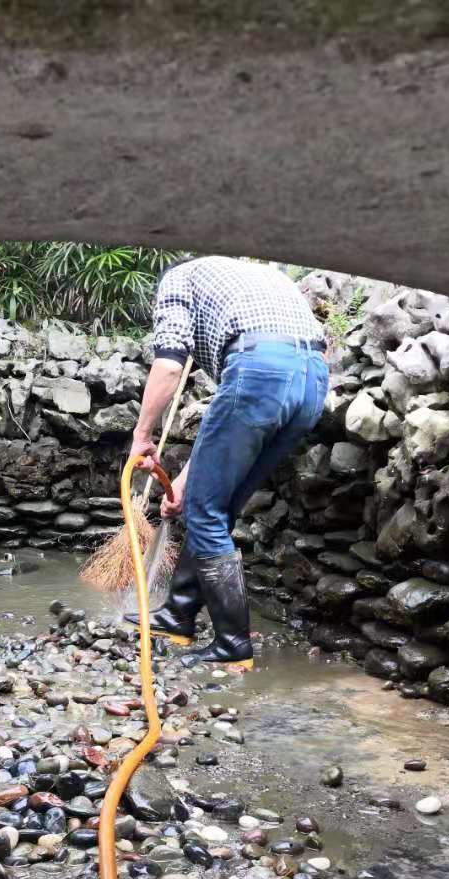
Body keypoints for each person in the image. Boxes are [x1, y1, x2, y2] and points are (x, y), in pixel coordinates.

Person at [127, 256, 329, 669]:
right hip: (312, 379)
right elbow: (229, 425)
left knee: (205, 512)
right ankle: (177, 615)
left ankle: (232, 646)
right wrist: (185, 481)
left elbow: (169, 364)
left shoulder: (177, 281)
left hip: (260, 370)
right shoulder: (245, 278)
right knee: (217, 506)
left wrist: (142, 435)